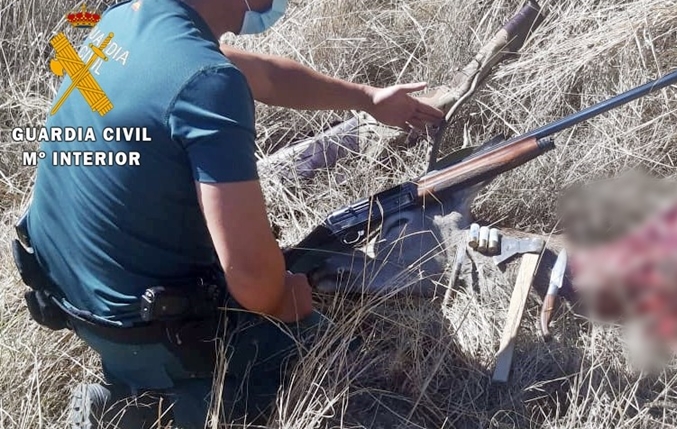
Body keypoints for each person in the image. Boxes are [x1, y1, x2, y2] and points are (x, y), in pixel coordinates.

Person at [20, 0, 444, 427]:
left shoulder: (124, 22)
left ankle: (126, 389)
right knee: (324, 348)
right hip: (148, 328)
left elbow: (266, 76)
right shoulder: (206, 84)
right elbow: (253, 281)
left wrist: (368, 98)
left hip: (65, 297)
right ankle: (175, 406)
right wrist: (287, 298)